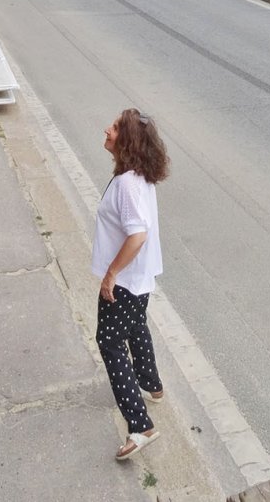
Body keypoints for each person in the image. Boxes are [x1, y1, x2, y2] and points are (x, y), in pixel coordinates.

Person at [91, 108, 170, 461]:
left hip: (124, 281)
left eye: (115, 128)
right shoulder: (138, 177)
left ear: (128, 142)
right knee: (136, 328)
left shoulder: (126, 184)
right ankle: (152, 384)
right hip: (141, 281)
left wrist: (110, 275)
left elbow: (137, 235)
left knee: (109, 342)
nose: (106, 129)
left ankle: (140, 426)